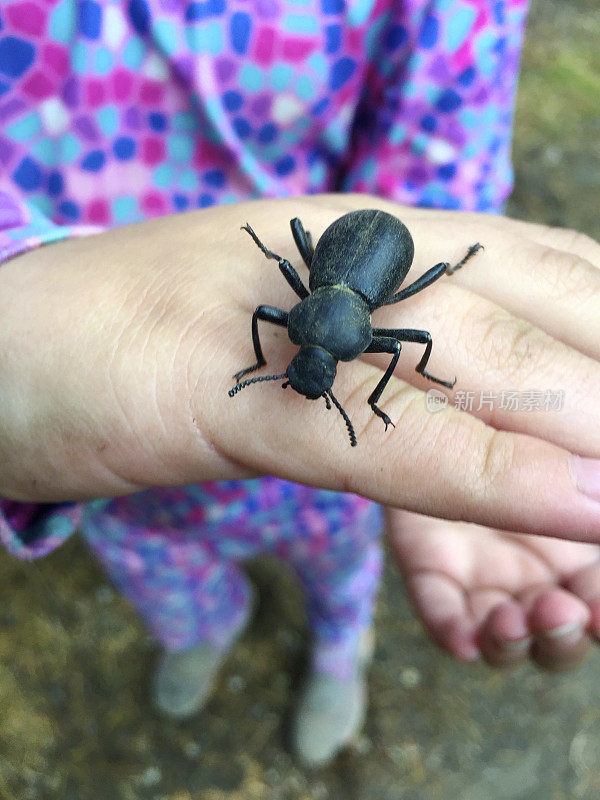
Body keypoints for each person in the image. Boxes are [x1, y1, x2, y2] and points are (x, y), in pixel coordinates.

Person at [2, 0, 600, 768]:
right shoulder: (301, 313)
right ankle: (204, 633)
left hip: (325, 477)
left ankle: (336, 648)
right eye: (294, 357)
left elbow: (402, 311)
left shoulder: (345, 321)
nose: (302, 371)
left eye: (294, 358)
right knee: (170, 563)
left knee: (341, 558)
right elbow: (301, 319)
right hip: (141, 501)